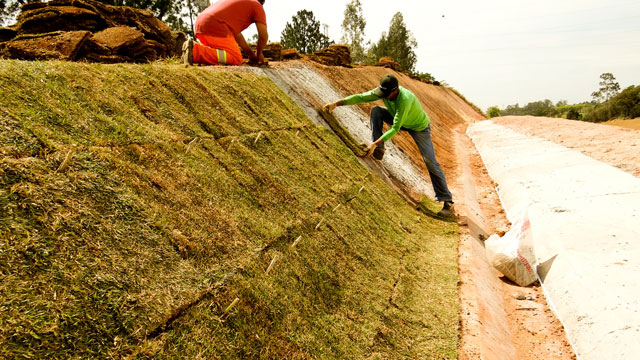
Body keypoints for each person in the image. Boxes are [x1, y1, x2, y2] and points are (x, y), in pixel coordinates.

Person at [323, 74, 455, 217]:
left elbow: (395, 129)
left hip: (419, 127)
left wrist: (374, 143)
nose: (384, 97)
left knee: (430, 161)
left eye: (387, 94)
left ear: (396, 90)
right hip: (400, 119)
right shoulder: (385, 92)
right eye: (383, 94)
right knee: (376, 111)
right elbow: (361, 97)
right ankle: (379, 150)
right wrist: (336, 103)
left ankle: (447, 202)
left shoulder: (405, 99)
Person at [182, 0, 268, 66]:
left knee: (219, 53)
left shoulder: (237, 4)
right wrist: (259, 53)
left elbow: (237, 34)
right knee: (236, 58)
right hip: (215, 25)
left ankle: (189, 51)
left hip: (200, 23)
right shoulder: (256, 5)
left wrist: (251, 54)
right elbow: (263, 36)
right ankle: (195, 50)